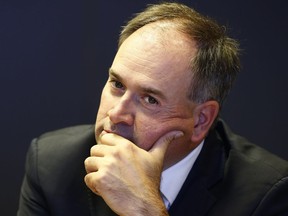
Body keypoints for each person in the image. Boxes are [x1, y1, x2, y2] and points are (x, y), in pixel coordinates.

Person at [17, 2, 288, 216]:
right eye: (117, 84)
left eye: (150, 100)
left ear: (201, 120)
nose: (116, 114)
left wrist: (144, 209)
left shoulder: (268, 195)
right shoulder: (52, 165)